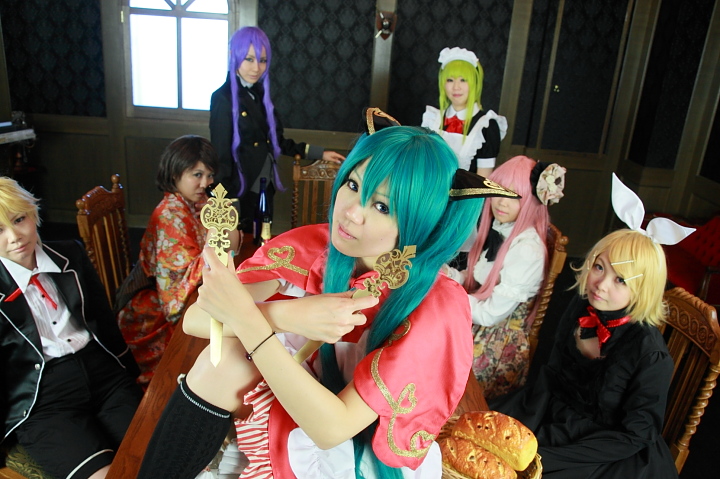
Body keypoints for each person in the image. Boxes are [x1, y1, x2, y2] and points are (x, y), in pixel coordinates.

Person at [137, 110, 519, 478]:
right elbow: (197, 318)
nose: (351, 212)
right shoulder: (315, 244)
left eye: (381, 205)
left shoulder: (435, 305)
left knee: (235, 354)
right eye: (352, 185)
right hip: (299, 397)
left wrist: (251, 319)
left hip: (350, 440)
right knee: (224, 360)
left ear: (422, 222)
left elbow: (332, 428)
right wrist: (290, 316)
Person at [490, 174, 696, 478]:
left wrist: (546, 457)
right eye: (599, 267)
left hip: (609, 449)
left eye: (620, 280)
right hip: (557, 415)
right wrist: (525, 432)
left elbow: (635, 435)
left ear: (643, 289)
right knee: (486, 439)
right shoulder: (582, 306)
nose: (600, 284)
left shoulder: (649, 355)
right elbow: (552, 374)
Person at [0, 177, 143, 479]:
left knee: (156, 454)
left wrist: (130, 372)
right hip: (42, 397)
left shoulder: (70, 254)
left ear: (33, 214)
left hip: (103, 374)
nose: (15, 236)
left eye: (19, 219)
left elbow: (103, 319)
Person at [116, 135, 240, 387]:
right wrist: (217, 236)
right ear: (175, 174)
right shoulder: (169, 216)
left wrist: (223, 227)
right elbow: (173, 295)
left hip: (182, 289)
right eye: (197, 175)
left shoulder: (198, 203)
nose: (205, 183)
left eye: (209, 175)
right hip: (153, 310)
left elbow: (230, 243)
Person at [445, 156, 566, 399]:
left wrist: (450, 293)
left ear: (532, 200)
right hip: (478, 320)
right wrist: (451, 275)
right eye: (499, 191)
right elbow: (479, 278)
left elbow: (489, 314)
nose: (501, 202)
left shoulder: (527, 250)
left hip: (496, 341)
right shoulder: (502, 229)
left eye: (514, 196)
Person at [209, 26, 345, 232]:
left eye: (262, 60)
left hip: (265, 184)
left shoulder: (260, 95)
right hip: (240, 189)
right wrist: (225, 200)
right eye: (249, 59)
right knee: (244, 243)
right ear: (232, 55)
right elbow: (221, 156)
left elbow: (277, 141)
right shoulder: (222, 98)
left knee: (263, 237)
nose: (256, 68)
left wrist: (320, 153)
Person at [421, 47, 507, 179]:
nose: (456, 87)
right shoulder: (432, 119)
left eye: (463, 80)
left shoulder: (487, 126)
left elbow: (482, 182)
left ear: (475, 83)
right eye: (450, 80)